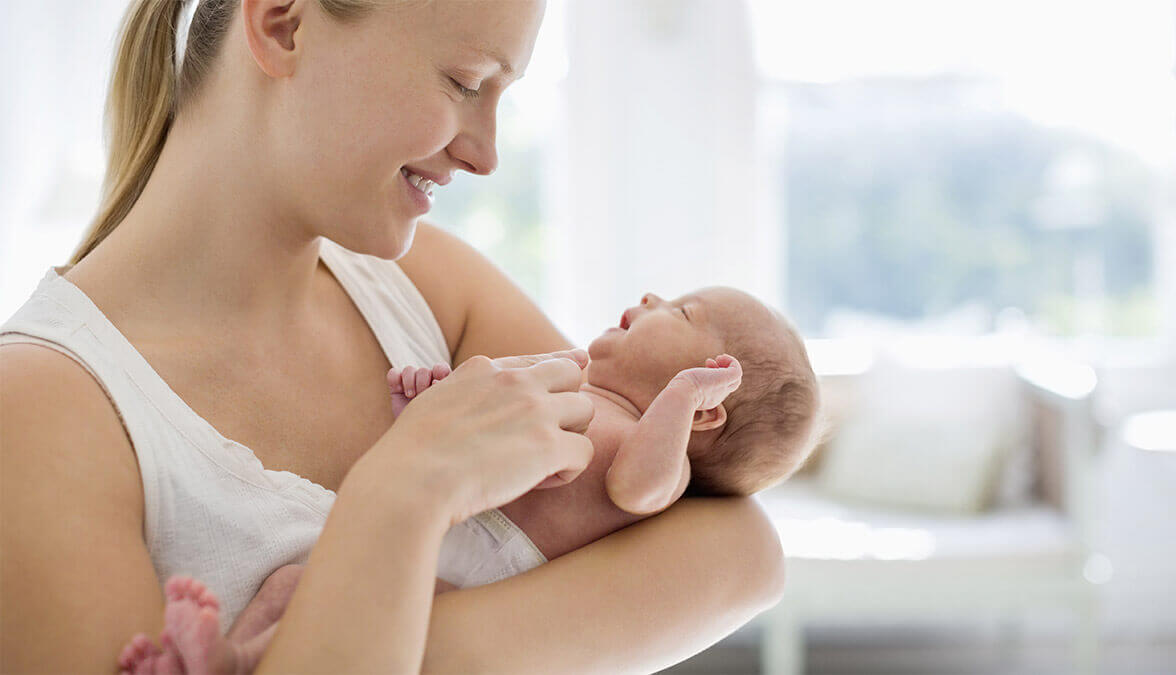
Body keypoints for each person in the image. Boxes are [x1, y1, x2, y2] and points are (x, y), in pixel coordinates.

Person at [0, 0, 785, 672]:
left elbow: (740, 550)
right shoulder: (38, 412)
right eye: (466, 82)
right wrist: (403, 494)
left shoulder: (429, 288)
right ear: (283, 25)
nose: (485, 154)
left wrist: (351, 638)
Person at [115, 286, 821, 673]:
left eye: (684, 312)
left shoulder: (648, 447)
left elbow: (638, 487)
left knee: (371, 611)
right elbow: (467, 425)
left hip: (484, 568)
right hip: (445, 523)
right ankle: (231, 657)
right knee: (293, 587)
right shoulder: (573, 373)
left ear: (705, 410)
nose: (652, 295)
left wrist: (678, 398)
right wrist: (428, 400)